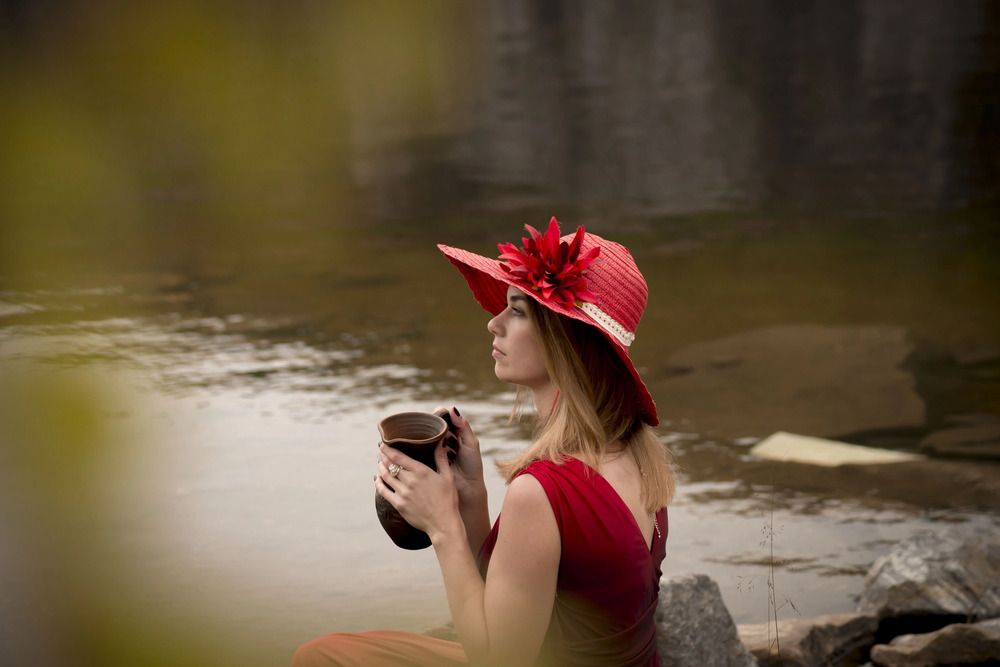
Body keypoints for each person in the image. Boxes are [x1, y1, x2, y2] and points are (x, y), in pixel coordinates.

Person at [292, 217, 675, 667]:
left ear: (566, 340)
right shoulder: (637, 454)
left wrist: (442, 527)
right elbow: (519, 603)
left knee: (320, 660)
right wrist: (472, 497)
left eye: (517, 310)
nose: (494, 323)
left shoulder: (543, 491)